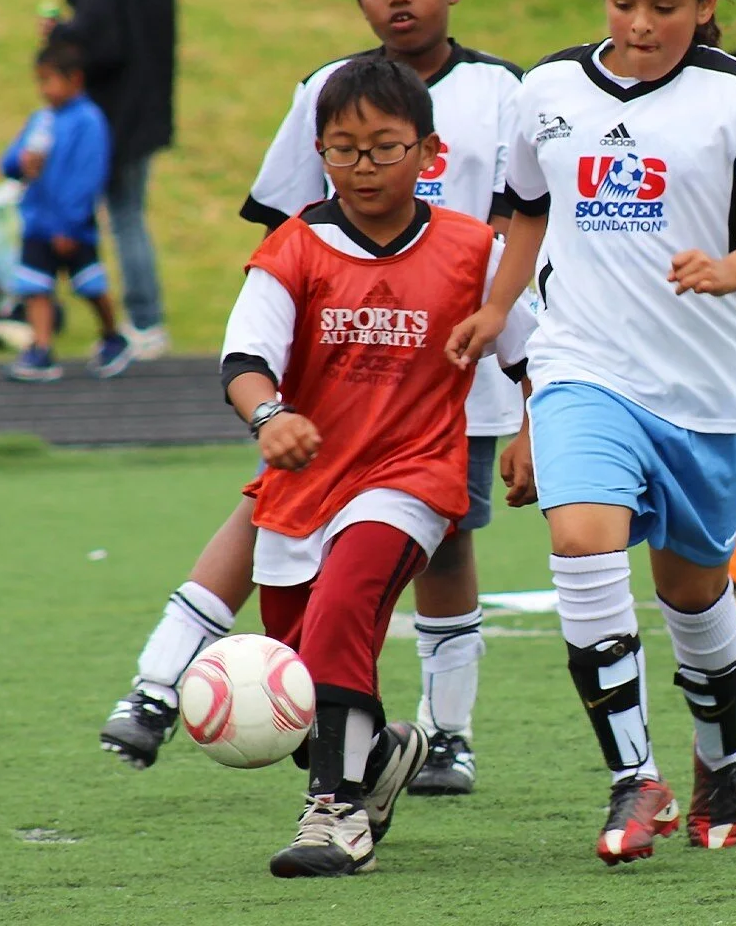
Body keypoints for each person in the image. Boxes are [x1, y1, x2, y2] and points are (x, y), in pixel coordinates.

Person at [100, 0, 527, 796]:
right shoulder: (324, 87)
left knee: (444, 547)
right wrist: (276, 383)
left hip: (455, 379)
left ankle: (446, 734)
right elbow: (284, 229)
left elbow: (527, 226)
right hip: (334, 384)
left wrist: (527, 399)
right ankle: (161, 684)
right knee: (268, 519)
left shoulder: (505, 91)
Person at [446, 0, 736, 865]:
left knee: (691, 593)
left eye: (665, 5)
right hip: (582, 365)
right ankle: (634, 777)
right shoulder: (547, 90)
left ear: (706, 4)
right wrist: (499, 311)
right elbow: (527, 211)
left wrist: (732, 267)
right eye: (622, 2)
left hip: (707, 390)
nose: (639, 23)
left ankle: (721, 760)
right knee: (581, 540)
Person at [223, 56, 535, 877]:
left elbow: (537, 352)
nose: (363, 167)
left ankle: (335, 817)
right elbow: (244, 360)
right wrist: (271, 416)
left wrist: (532, 429)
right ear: (319, 151)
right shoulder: (295, 247)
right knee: (298, 687)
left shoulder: (474, 250)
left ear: (429, 153)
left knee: (341, 611)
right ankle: (387, 755)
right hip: (303, 490)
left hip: (410, 477)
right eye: (343, 149)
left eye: (385, 148)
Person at [48, 0, 175, 359]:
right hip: (150, 107)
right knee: (130, 213)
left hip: (116, 117)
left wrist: (62, 35)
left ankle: (144, 320)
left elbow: (102, 48)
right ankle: (145, 319)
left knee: (124, 218)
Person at [0, 40, 132, 381]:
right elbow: (9, 162)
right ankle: (41, 348)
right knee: (35, 287)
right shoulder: (41, 120)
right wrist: (21, 163)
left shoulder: (88, 121)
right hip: (37, 223)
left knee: (89, 284)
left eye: (49, 80)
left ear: (74, 79)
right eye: (40, 81)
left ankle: (112, 335)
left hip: (72, 226)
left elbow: (88, 177)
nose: (44, 89)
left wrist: (69, 225)